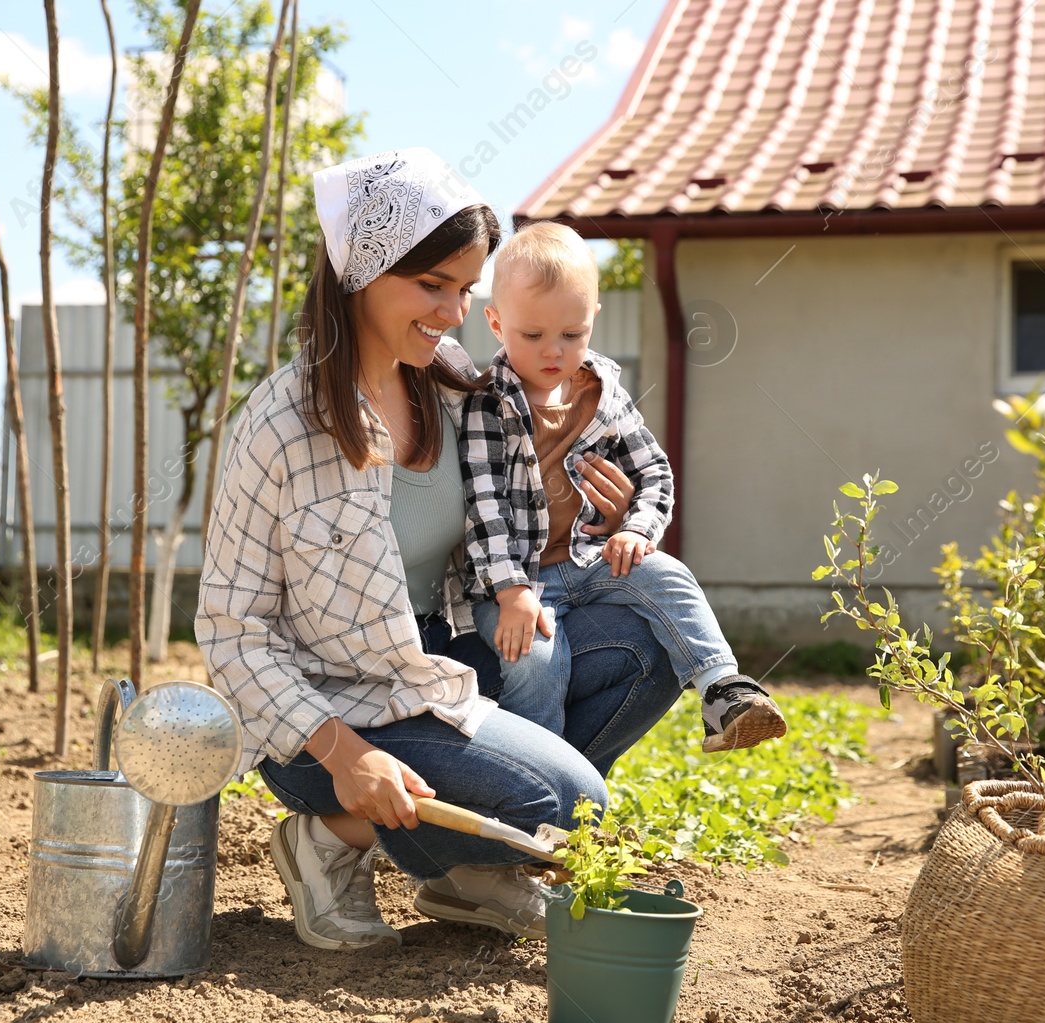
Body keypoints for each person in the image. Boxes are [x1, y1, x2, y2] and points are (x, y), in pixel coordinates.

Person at [196, 148, 681, 953]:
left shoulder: (458, 390)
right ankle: (330, 838)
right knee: (569, 799)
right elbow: (229, 632)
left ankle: (466, 869)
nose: (455, 311)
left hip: (443, 662)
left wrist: (602, 513)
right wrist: (343, 754)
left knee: (645, 646)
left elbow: (517, 526)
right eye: (433, 286)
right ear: (363, 272)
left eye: (464, 288)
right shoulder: (282, 425)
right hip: (334, 706)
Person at [460, 222, 786, 753]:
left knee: (669, 577)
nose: (553, 351)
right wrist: (510, 589)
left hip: (591, 558)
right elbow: (484, 507)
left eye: (571, 334)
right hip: (523, 579)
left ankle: (723, 690)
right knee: (536, 659)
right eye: (532, 335)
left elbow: (653, 472)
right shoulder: (486, 406)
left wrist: (636, 528)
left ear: (593, 320)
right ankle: (539, 770)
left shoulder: (604, 394)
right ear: (496, 323)